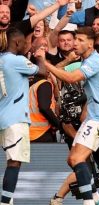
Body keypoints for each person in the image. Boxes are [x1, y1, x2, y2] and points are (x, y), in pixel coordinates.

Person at [36, 26, 99, 205]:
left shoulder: (95, 61)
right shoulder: (87, 61)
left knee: (79, 159)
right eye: (75, 40)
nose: (74, 44)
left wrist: (45, 62)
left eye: (79, 40)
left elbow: (70, 78)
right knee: (73, 160)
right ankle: (95, 197)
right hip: (94, 118)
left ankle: (90, 200)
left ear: (90, 43)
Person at [0, 28, 39, 205]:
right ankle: (6, 202)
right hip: (16, 119)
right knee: (14, 162)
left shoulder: (2, 60)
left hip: (3, 116)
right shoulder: (17, 60)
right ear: (16, 43)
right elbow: (43, 71)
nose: (26, 45)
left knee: (12, 161)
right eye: (24, 42)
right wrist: (40, 56)